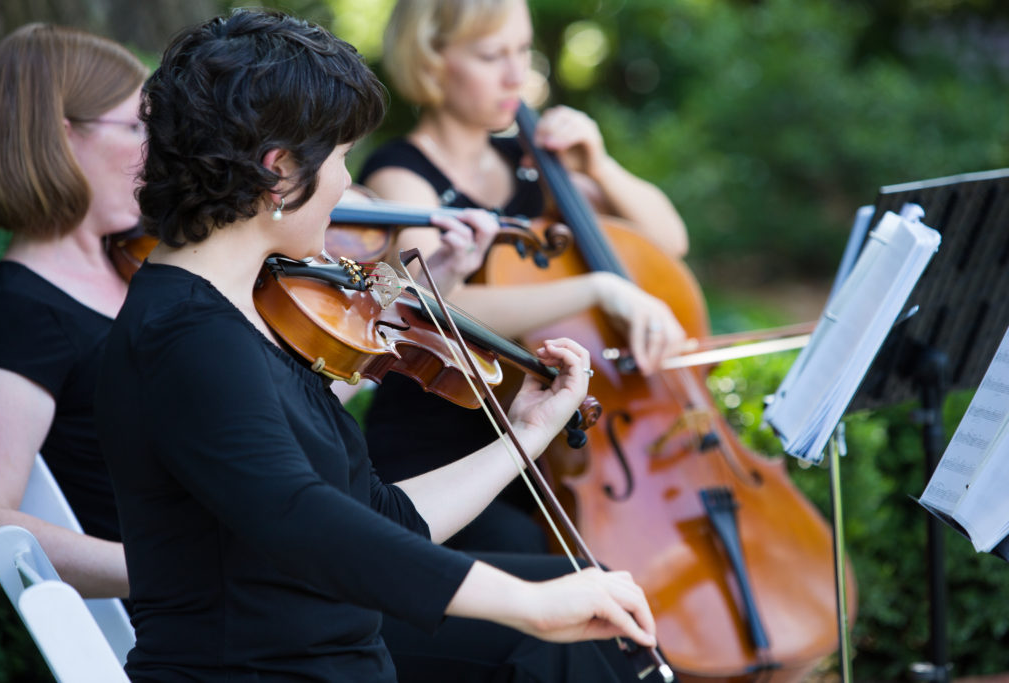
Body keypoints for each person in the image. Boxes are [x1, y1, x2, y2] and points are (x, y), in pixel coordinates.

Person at [95, 9, 658, 681]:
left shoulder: (233, 316)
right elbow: (302, 518)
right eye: (338, 160)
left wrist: (526, 433)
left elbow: (383, 515)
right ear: (279, 172)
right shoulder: (185, 336)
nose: (348, 188)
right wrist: (529, 603)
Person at [359, 0, 690, 553]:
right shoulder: (399, 175)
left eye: (522, 50)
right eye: (492, 55)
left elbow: (669, 242)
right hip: (439, 451)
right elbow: (435, 306)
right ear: (433, 60)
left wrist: (599, 166)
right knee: (548, 562)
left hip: (545, 448)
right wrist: (598, 290)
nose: (518, 74)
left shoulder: (533, 162)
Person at [0, 22, 148, 598]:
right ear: (63, 137)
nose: (156, 146)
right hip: (179, 631)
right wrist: (175, 575)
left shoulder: (136, 267)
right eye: (135, 125)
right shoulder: (22, 311)